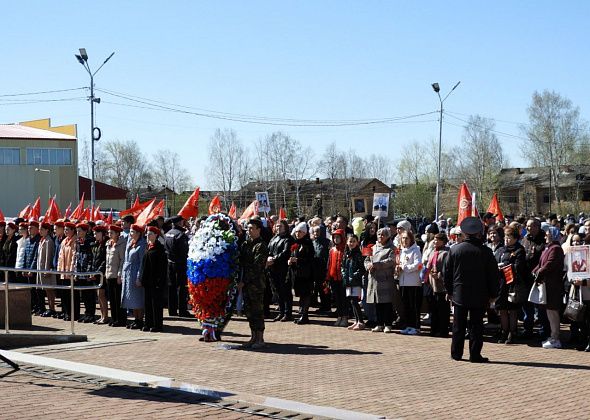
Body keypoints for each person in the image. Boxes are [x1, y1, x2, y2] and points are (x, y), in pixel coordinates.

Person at [444, 217, 500, 363]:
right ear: (479, 233)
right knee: (476, 326)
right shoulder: (486, 252)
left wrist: (449, 291)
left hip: (459, 293)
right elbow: (493, 275)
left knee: (458, 325)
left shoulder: (455, 250)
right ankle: (475, 355)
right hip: (479, 294)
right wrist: (494, 294)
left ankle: (456, 353)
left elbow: (447, 273)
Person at [532, 225, 565, 349]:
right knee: (549, 311)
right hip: (547, 284)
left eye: (548, 234)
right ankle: (553, 336)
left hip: (553, 285)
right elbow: (541, 263)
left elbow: (549, 264)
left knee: (553, 311)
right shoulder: (548, 248)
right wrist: (535, 270)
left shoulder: (556, 248)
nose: (546, 236)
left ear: (553, 235)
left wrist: (539, 272)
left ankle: (556, 337)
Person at [239, 218, 269, 348]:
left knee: (257, 311)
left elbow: (256, 267)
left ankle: (260, 339)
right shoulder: (246, 244)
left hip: (256, 284)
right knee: (249, 311)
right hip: (246, 283)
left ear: (258, 230)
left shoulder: (261, 246)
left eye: (252, 228)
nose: (249, 231)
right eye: (248, 228)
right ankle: (253, 337)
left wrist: (244, 282)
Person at [495, 226, 527, 344]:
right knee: (502, 309)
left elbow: (519, 266)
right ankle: (504, 331)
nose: (506, 239)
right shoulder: (501, 249)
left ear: (515, 238)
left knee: (512, 309)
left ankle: (512, 332)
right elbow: (495, 260)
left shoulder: (519, 250)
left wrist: (506, 267)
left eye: (509, 237)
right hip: (501, 283)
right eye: (505, 236)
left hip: (512, 283)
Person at [365, 227, 396, 333]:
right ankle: (379, 323)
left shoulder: (392, 248)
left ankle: (388, 324)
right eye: (379, 234)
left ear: (388, 236)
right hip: (374, 278)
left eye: (383, 234)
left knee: (386, 303)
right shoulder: (373, 247)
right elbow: (367, 259)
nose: (380, 236)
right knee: (377, 302)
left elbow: (391, 261)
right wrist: (368, 265)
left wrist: (377, 265)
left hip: (385, 279)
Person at [141, 226, 168, 332]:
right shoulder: (148, 247)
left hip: (156, 281)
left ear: (156, 235)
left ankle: (157, 325)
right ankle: (148, 323)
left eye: (151, 233)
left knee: (155, 304)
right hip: (148, 281)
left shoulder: (160, 249)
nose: (148, 235)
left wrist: (159, 281)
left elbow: (162, 268)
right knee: (147, 303)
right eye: (147, 233)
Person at [287, 222, 315, 325]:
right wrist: (290, 261)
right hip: (297, 273)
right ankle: (301, 314)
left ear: (304, 233)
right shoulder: (296, 243)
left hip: (305, 274)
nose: (297, 233)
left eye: (300, 232)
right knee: (300, 294)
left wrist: (297, 260)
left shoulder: (308, 244)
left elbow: (309, 259)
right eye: (297, 231)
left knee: (305, 294)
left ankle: (304, 314)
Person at [266, 219, 293, 321]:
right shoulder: (274, 238)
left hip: (283, 269)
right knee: (277, 291)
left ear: (285, 227)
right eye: (277, 226)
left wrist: (274, 259)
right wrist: (268, 257)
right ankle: (281, 312)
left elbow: (286, 252)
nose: (278, 228)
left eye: (280, 226)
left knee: (285, 291)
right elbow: (268, 249)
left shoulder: (288, 239)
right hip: (273, 269)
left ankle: (288, 313)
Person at [397, 230, 423, 335]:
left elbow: (417, 264)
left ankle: (416, 326)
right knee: (406, 305)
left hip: (413, 282)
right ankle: (408, 325)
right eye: (403, 238)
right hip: (403, 282)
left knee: (414, 306)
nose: (405, 240)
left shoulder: (416, 250)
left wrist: (404, 267)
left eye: (407, 238)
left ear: (411, 239)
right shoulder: (402, 251)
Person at [122, 224, 147, 329]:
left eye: (132, 232)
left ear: (138, 233)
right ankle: (136, 319)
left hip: (135, 273)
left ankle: (140, 320)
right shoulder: (130, 243)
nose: (130, 234)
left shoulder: (142, 245)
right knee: (132, 299)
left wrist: (139, 277)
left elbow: (142, 262)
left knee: (138, 299)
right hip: (128, 273)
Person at [164, 216, 190, 317]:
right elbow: (184, 251)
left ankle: (172, 310)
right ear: (180, 223)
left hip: (170, 262)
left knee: (171, 287)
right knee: (181, 287)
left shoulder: (168, 233)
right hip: (180, 263)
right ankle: (182, 311)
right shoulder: (180, 235)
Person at [427, 233, 450, 337]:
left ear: (443, 241)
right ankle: (434, 329)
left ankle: (443, 330)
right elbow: (429, 264)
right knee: (433, 308)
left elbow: (448, 269)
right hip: (432, 284)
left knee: (443, 309)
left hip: (442, 285)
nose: (435, 242)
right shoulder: (432, 252)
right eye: (434, 240)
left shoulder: (446, 252)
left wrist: (439, 275)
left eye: (438, 240)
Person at [341, 234, 366, 330]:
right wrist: (344, 274)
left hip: (355, 281)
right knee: (351, 301)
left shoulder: (358, 254)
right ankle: (356, 321)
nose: (351, 243)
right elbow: (343, 266)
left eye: (354, 241)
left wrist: (354, 276)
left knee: (355, 301)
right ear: (347, 242)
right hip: (347, 281)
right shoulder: (346, 254)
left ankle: (360, 321)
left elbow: (361, 268)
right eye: (350, 241)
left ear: (357, 243)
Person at [105, 224, 127, 327]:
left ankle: (120, 319)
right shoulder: (108, 244)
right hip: (109, 274)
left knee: (118, 298)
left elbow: (122, 260)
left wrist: (119, 274)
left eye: (112, 232)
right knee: (112, 299)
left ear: (117, 234)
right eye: (109, 232)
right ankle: (114, 318)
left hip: (117, 276)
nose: (109, 234)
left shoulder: (121, 244)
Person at [75, 222, 95, 323]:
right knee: (84, 295)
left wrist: (88, 272)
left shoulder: (90, 241)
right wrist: (77, 272)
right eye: (77, 231)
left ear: (85, 231)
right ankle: (87, 313)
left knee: (89, 294)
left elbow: (91, 257)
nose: (77, 233)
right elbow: (77, 257)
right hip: (80, 271)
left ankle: (91, 314)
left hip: (87, 272)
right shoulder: (78, 241)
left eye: (79, 231)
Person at [327, 229, 347, 327]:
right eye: (334, 237)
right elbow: (329, 264)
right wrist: (327, 277)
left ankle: (345, 317)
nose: (336, 239)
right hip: (333, 278)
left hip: (343, 279)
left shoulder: (346, 249)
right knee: (337, 299)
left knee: (344, 299)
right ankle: (339, 316)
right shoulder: (332, 250)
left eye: (338, 237)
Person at [57, 222, 77, 321]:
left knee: (72, 294)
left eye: (67, 229)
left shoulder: (75, 241)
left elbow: (74, 256)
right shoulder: (64, 241)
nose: (65, 231)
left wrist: (71, 270)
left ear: (73, 230)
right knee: (64, 293)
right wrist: (59, 269)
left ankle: (72, 313)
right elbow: (60, 256)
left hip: (70, 271)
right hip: (63, 271)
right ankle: (65, 312)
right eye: (64, 229)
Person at [37, 222, 57, 317]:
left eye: (41, 229)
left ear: (47, 230)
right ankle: (50, 308)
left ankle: (52, 308)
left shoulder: (49, 241)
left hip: (46, 269)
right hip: (41, 268)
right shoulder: (42, 240)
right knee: (46, 290)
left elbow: (49, 256)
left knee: (50, 290)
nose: (39, 231)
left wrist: (47, 270)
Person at [311, 224, 331, 314]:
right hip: (316, 269)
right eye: (314, 231)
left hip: (325, 269)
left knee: (325, 289)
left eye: (318, 231)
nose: (316, 233)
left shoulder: (327, 242)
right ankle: (323, 306)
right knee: (319, 288)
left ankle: (327, 306)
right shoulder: (313, 242)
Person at [24, 221, 42, 315]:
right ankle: (33, 306)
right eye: (28, 228)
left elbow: (36, 256)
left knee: (36, 290)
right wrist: (24, 268)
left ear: (36, 229)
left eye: (31, 228)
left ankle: (38, 307)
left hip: (34, 270)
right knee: (30, 290)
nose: (29, 230)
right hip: (27, 269)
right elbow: (25, 255)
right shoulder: (27, 240)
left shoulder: (38, 240)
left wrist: (31, 269)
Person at [90, 224, 108, 324]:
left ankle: (105, 316)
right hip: (96, 273)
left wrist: (97, 272)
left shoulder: (105, 245)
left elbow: (104, 261)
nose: (95, 234)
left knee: (101, 295)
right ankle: (102, 316)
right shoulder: (95, 244)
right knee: (98, 295)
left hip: (102, 274)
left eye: (97, 233)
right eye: (94, 233)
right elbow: (94, 259)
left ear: (102, 234)